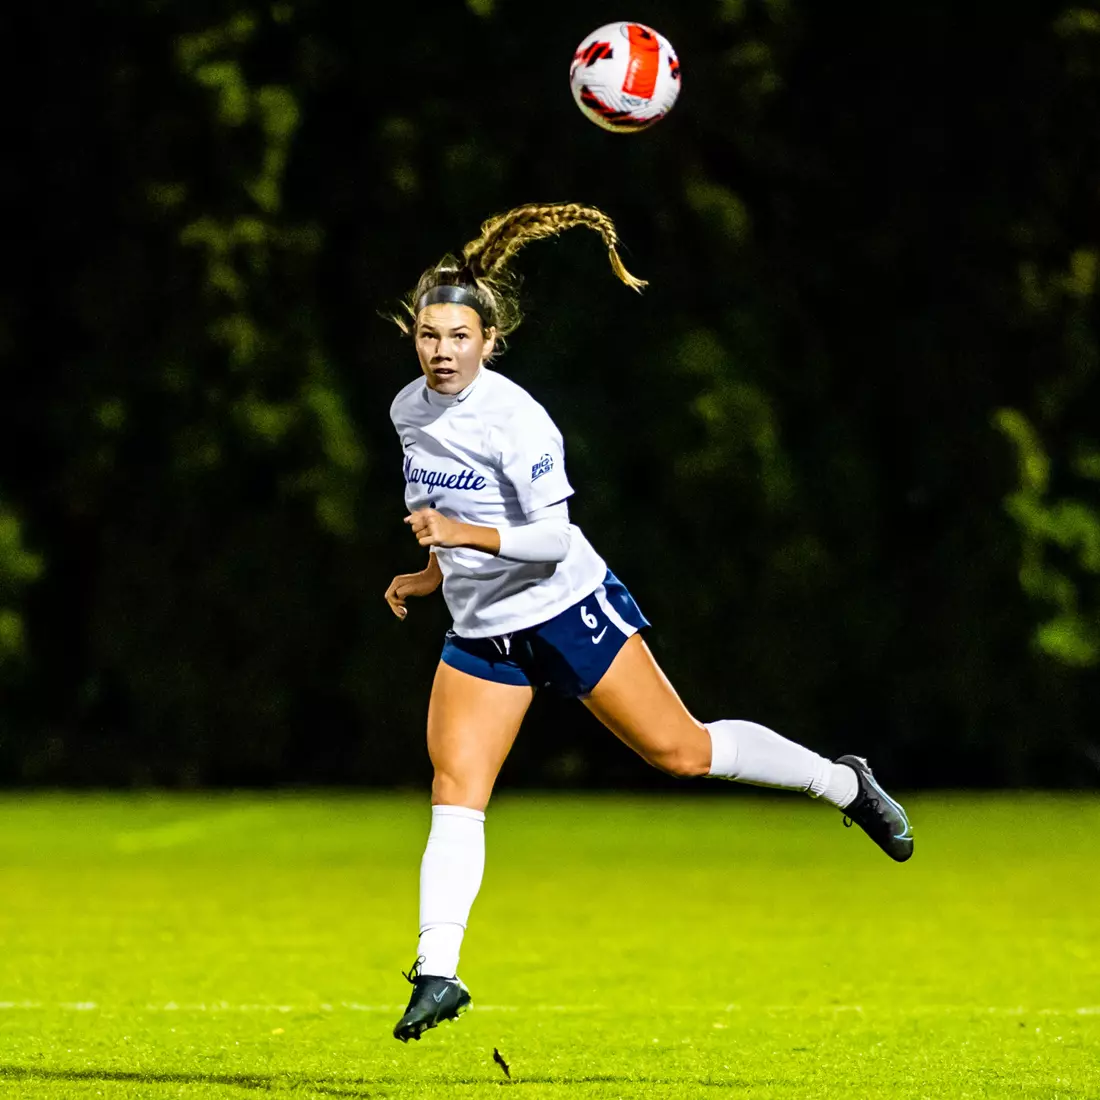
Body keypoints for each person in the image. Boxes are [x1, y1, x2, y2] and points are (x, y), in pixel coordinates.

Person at [384, 202, 913, 1044]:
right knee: (455, 792)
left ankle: (843, 783)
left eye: (457, 337)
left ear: (489, 341)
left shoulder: (517, 418)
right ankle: (438, 972)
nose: (441, 351)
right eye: (427, 336)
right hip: (482, 629)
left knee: (683, 752)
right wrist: (430, 569)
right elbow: (440, 507)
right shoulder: (408, 411)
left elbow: (552, 539)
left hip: (565, 608)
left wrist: (461, 536)